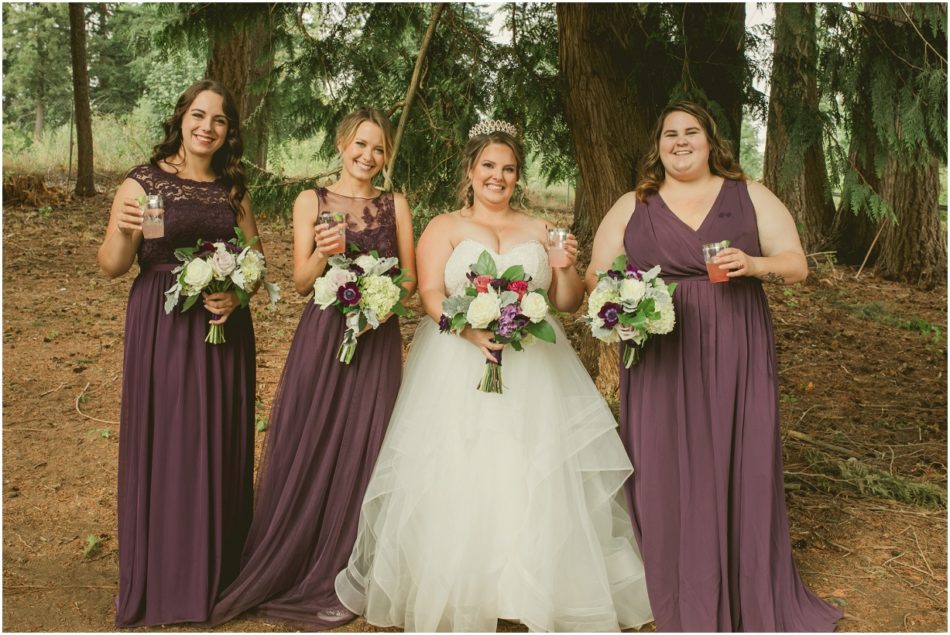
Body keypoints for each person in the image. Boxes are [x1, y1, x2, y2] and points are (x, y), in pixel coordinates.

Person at [335, 122, 652, 632]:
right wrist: (467, 331)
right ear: (470, 170)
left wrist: (564, 266)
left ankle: (528, 591)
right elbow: (430, 294)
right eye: (488, 166)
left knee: (531, 467)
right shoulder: (444, 226)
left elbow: (566, 304)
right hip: (459, 360)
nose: (498, 177)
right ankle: (465, 590)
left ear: (517, 176)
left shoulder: (540, 228)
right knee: (461, 464)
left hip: (535, 365)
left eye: (507, 169)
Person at [587, 100, 843, 631]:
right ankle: (674, 592)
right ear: (657, 146)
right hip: (659, 351)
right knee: (662, 464)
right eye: (669, 133)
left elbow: (796, 264)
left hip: (735, 344)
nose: (680, 141)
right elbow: (596, 273)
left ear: (711, 141)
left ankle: (744, 588)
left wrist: (755, 264)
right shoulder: (634, 203)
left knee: (738, 456)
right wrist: (623, 299)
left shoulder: (747, 194)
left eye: (692, 132)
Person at [206, 107, 416, 630]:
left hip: (376, 337)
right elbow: (300, 281)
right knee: (316, 440)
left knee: (368, 444)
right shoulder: (311, 201)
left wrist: (384, 298)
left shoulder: (396, 205)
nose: (368, 156)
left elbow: (410, 281)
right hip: (325, 337)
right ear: (342, 143)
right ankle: (298, 558)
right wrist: (324, 254)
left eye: (379, 149)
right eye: (360, 144)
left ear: (387, 156)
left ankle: (349, 571)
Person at [97, 79, 259, 627]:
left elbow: (256, 262)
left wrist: (237, 294)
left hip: (222, 329)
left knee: (212, 441)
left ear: (228, 132)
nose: (206, 127)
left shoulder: (233, 189)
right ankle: (163, 573)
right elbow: (114, 265)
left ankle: (211, 570)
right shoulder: (142, 183)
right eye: (198, 115)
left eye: (218, 120)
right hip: (163, 324)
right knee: (169, 441)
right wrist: (122, 231)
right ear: (181, 118)